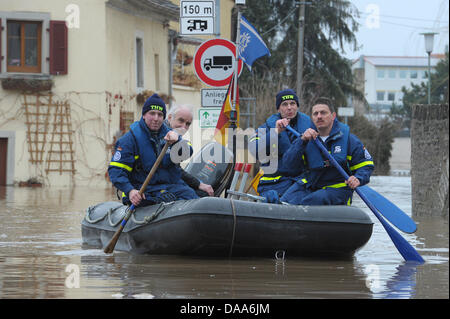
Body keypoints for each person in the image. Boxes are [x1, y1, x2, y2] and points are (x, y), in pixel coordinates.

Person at [108, 93, 199, 207]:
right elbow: (116, 171)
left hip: (171, 187)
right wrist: (130, 191)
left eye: (160, 115)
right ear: (144, 115)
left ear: (164, 117)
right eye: (152, 113)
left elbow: (187, 152)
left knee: (192, 197)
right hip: (144, 191)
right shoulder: (129, 140)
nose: (156, 118)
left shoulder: (171, 134)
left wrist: (177, 142)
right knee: (159, 201)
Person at [279, 98, 374, 205]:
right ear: (312, 118)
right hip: (311, 185)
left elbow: (366, 165)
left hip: (337, 189)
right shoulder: (304, 138)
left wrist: (358, 178)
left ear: (333, 116)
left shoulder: (350, 141)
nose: (319, 116)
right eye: (315, 114)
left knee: (313, 200)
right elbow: (288, 165)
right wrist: (301, 142)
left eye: (323, 113)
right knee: (284, 201)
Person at [248, 89, 311, 202]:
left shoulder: (310, 127)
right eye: (284, 104)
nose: (289, 107)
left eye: (293, 103)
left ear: (297, 106)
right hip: (272, 184)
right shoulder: (266, 128)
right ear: (278, 108)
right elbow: (254, 150)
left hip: (299, 184)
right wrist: (275, 132)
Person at [165, 104, 214, 197]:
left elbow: (176, 169)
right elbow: (174, 171)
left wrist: (198, 184)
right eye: (181, 120)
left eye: (187, 124)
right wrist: (199, 184)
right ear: (170, 117)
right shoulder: (164, 136)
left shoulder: (176, 139)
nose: (184, 127)